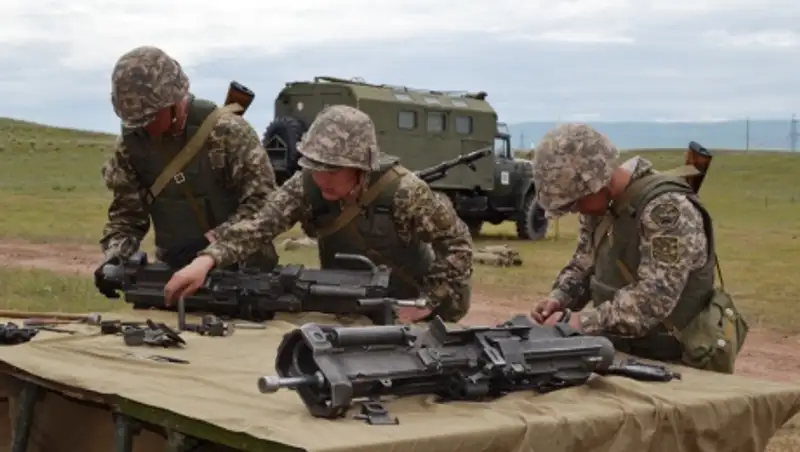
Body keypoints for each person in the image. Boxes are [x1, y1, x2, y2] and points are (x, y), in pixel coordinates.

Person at [163, 104, 474, 322]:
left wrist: (429, 302)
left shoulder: (406, 192)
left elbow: (457, 243)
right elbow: (260, 224)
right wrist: (206, 260)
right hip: (348, 302)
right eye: (314, 167)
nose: (321, 178)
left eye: (333, 170)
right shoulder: (306, 185)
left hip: (409, 304)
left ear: (361, 167)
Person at [95, 45, 279, 296]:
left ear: (174, 101)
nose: (144, 128)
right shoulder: (132, 146)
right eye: (135, 121)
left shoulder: (228, 133)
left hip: (245, 276)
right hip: (175, 277)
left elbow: (263, 206)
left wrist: (211, 243)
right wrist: (116, 258)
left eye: (150, 118)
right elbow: (127, 217)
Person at [529, 123, 719, 363]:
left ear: (597, 182)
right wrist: (559, 298)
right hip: (623, 351)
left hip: (677, 359)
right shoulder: (600, 209)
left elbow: (652, 301)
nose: (575, 211)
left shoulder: (667, 212)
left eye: (575, 203)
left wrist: (579, 322)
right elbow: (584, 263)